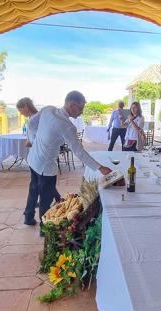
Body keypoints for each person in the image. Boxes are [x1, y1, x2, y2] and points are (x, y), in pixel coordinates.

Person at [26, 91, 112, 235]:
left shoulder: (48, 109)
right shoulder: (67, 126)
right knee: (46, 199)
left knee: (34, 188)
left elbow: (31, 124)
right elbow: (79, 152)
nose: (82, 111)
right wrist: (100, 168)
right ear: (72, 105)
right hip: (46, 166)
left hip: (33, 158)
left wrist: (35, 140)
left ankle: (28, 217)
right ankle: (44, 230)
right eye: (81, 108)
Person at [17, 97, 61, 225]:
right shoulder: (34, 119)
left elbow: (42, 139)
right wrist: (30, 141)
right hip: (37, 160)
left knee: (37, 188)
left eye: (21, 110)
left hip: (38, 159)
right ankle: (42, 223)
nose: (21, 113)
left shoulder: (37, 119)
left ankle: (29, 216)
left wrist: (32, 142)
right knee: (42, 189)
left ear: (26, 106)